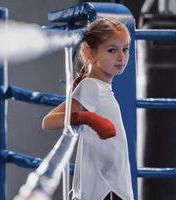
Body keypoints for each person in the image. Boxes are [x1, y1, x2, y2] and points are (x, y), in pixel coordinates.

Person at [42, 18, 134, 200]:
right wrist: (88, 119)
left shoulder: (100, 86)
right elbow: (48, 122)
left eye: (125, 49)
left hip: (111, 183)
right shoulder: (91, 86)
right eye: (112, 50)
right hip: (104, 188)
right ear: (89, 54)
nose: (121, 57)